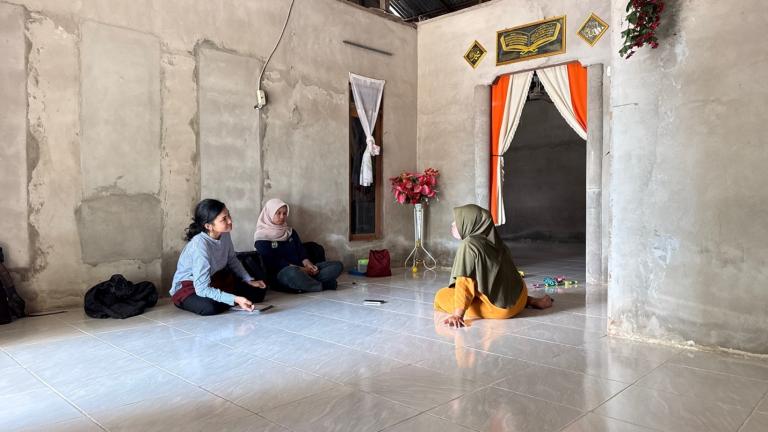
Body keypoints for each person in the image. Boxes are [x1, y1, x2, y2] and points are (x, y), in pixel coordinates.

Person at [434, 204, 553, 328]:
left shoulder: (469, 245)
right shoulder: (496, 242)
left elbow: (465, 282)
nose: (453, 224)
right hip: (520, 298)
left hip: (502, 309)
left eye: (458, 221)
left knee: (441, 295)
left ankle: (527, 302)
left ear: (471, 223)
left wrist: (458, 314)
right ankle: (531, 301)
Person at [170, 199, 267, 315]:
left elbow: (232, 259)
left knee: (258, 292)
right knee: (210, 307)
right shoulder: (200, 245)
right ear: (209, 226)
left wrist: (248, 279)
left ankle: (229, 299)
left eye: (228, 215)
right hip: (190, 287)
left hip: (213, 279)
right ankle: (231, 300)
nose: (230, 221)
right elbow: (201, 288)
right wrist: (234, 299)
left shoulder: (224, 233)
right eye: (224, 219)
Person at [254, 198, 343, 293]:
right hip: (283, 273)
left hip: (303, 270)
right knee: (293, 273)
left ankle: (304, 285)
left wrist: (309, 265)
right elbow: (274, 263)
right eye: (278, 213)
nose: (282, 216)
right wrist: (303, 270)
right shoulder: (261, 237)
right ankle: (322, 285)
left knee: (337, 266)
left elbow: (301, 251)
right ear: (269, 214)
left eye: (284, 213)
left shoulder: (290, 232)